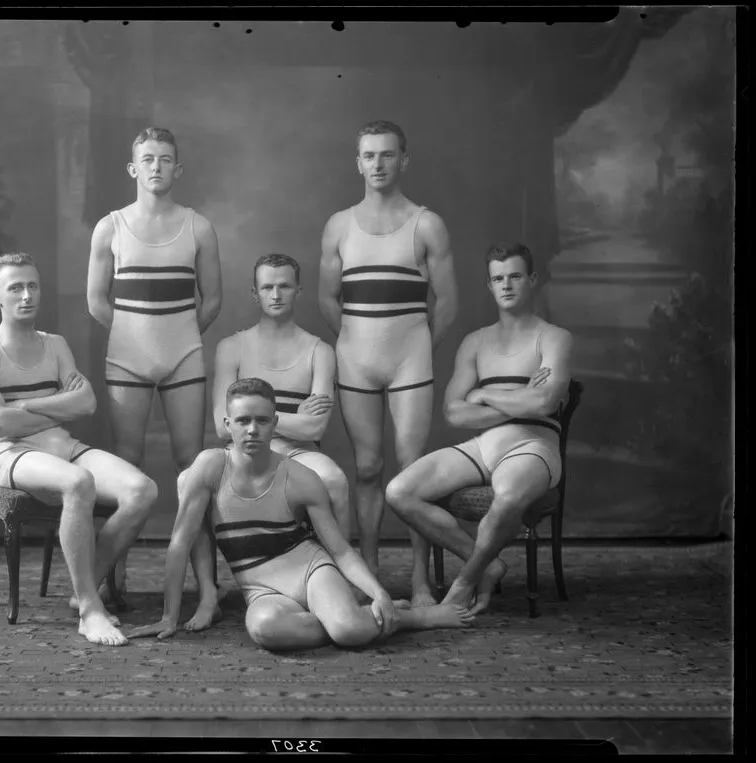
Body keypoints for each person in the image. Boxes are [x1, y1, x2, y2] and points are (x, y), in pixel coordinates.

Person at [128, 378, 475, 650]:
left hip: (310, 571)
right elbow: (179, 544)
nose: (252, 429)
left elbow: (339, 549)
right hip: (262, 589)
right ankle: (355, 616)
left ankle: (406, 617)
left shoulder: (300, 477)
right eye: (243, 420)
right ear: (227, 424)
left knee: (349, 632)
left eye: (262, 421)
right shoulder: (210, 468)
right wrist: (168, 617)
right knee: (263, 629)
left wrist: (378, 591)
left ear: (275, 422)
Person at [0, 252, 158, 646]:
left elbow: (86, 404)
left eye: (32, 285)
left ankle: (83, 583)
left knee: (142, 491)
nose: (26, 295)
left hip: (64, 447)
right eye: (15, 288)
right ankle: (89, 609)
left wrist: (25, 406)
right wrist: (54, 407)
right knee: (78, 482)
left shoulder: (55, 345)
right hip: (13, 456)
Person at [385, 243, 574, 616]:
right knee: (399, 491)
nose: (506, 285)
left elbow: (544, 404)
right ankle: (488, 564)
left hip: (534, 445)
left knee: (506, 496)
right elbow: (454, 413)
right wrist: (519, 396)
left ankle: (464, 583)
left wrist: (484, 393)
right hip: (481, 446)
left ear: (532, 280)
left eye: (515, 276)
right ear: (489, 286)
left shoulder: (553, 338)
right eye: (498, 278)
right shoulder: (475, 341)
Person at [86, 127, 223, 631]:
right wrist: (134, 338)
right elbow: (97, 301)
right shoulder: (110, 227)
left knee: (194, 469)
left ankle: (206, 590)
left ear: (178, 169)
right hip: (127, 359)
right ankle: (111, 584)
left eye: (166, 159)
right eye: (148, 159)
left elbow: (212, 300)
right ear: (133, 168)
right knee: (129, 469)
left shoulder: (198, 227)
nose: (157, 167)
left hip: (184, 356)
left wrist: (177, 336)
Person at [318, 120, 458, 607]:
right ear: (357, 162)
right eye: (369, 156)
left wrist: (414, 347)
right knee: (369, 468)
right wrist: (357, 344)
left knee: (411, 473)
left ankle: (421, 582)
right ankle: (370, 576)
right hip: (356, 361)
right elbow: (327, 299)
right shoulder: (339, 225)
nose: (377, 164)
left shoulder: (426, 223)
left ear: (404, 160)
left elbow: (447, 303)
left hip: (409, 365)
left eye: (387, 155)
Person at [211, 253, 352, 539]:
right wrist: (291, 419)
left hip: (300, 452)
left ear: (298, 291)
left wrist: (248, 417)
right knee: (193, 481)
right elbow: (220, 425)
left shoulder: (320, 352)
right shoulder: (231, 348)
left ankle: (340, 572)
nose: (275, 295)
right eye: (266, 287)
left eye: (285, 286)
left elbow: (314, 427)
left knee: (335, 480)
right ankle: (207, 582)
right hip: (242, 453)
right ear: (255, 293)